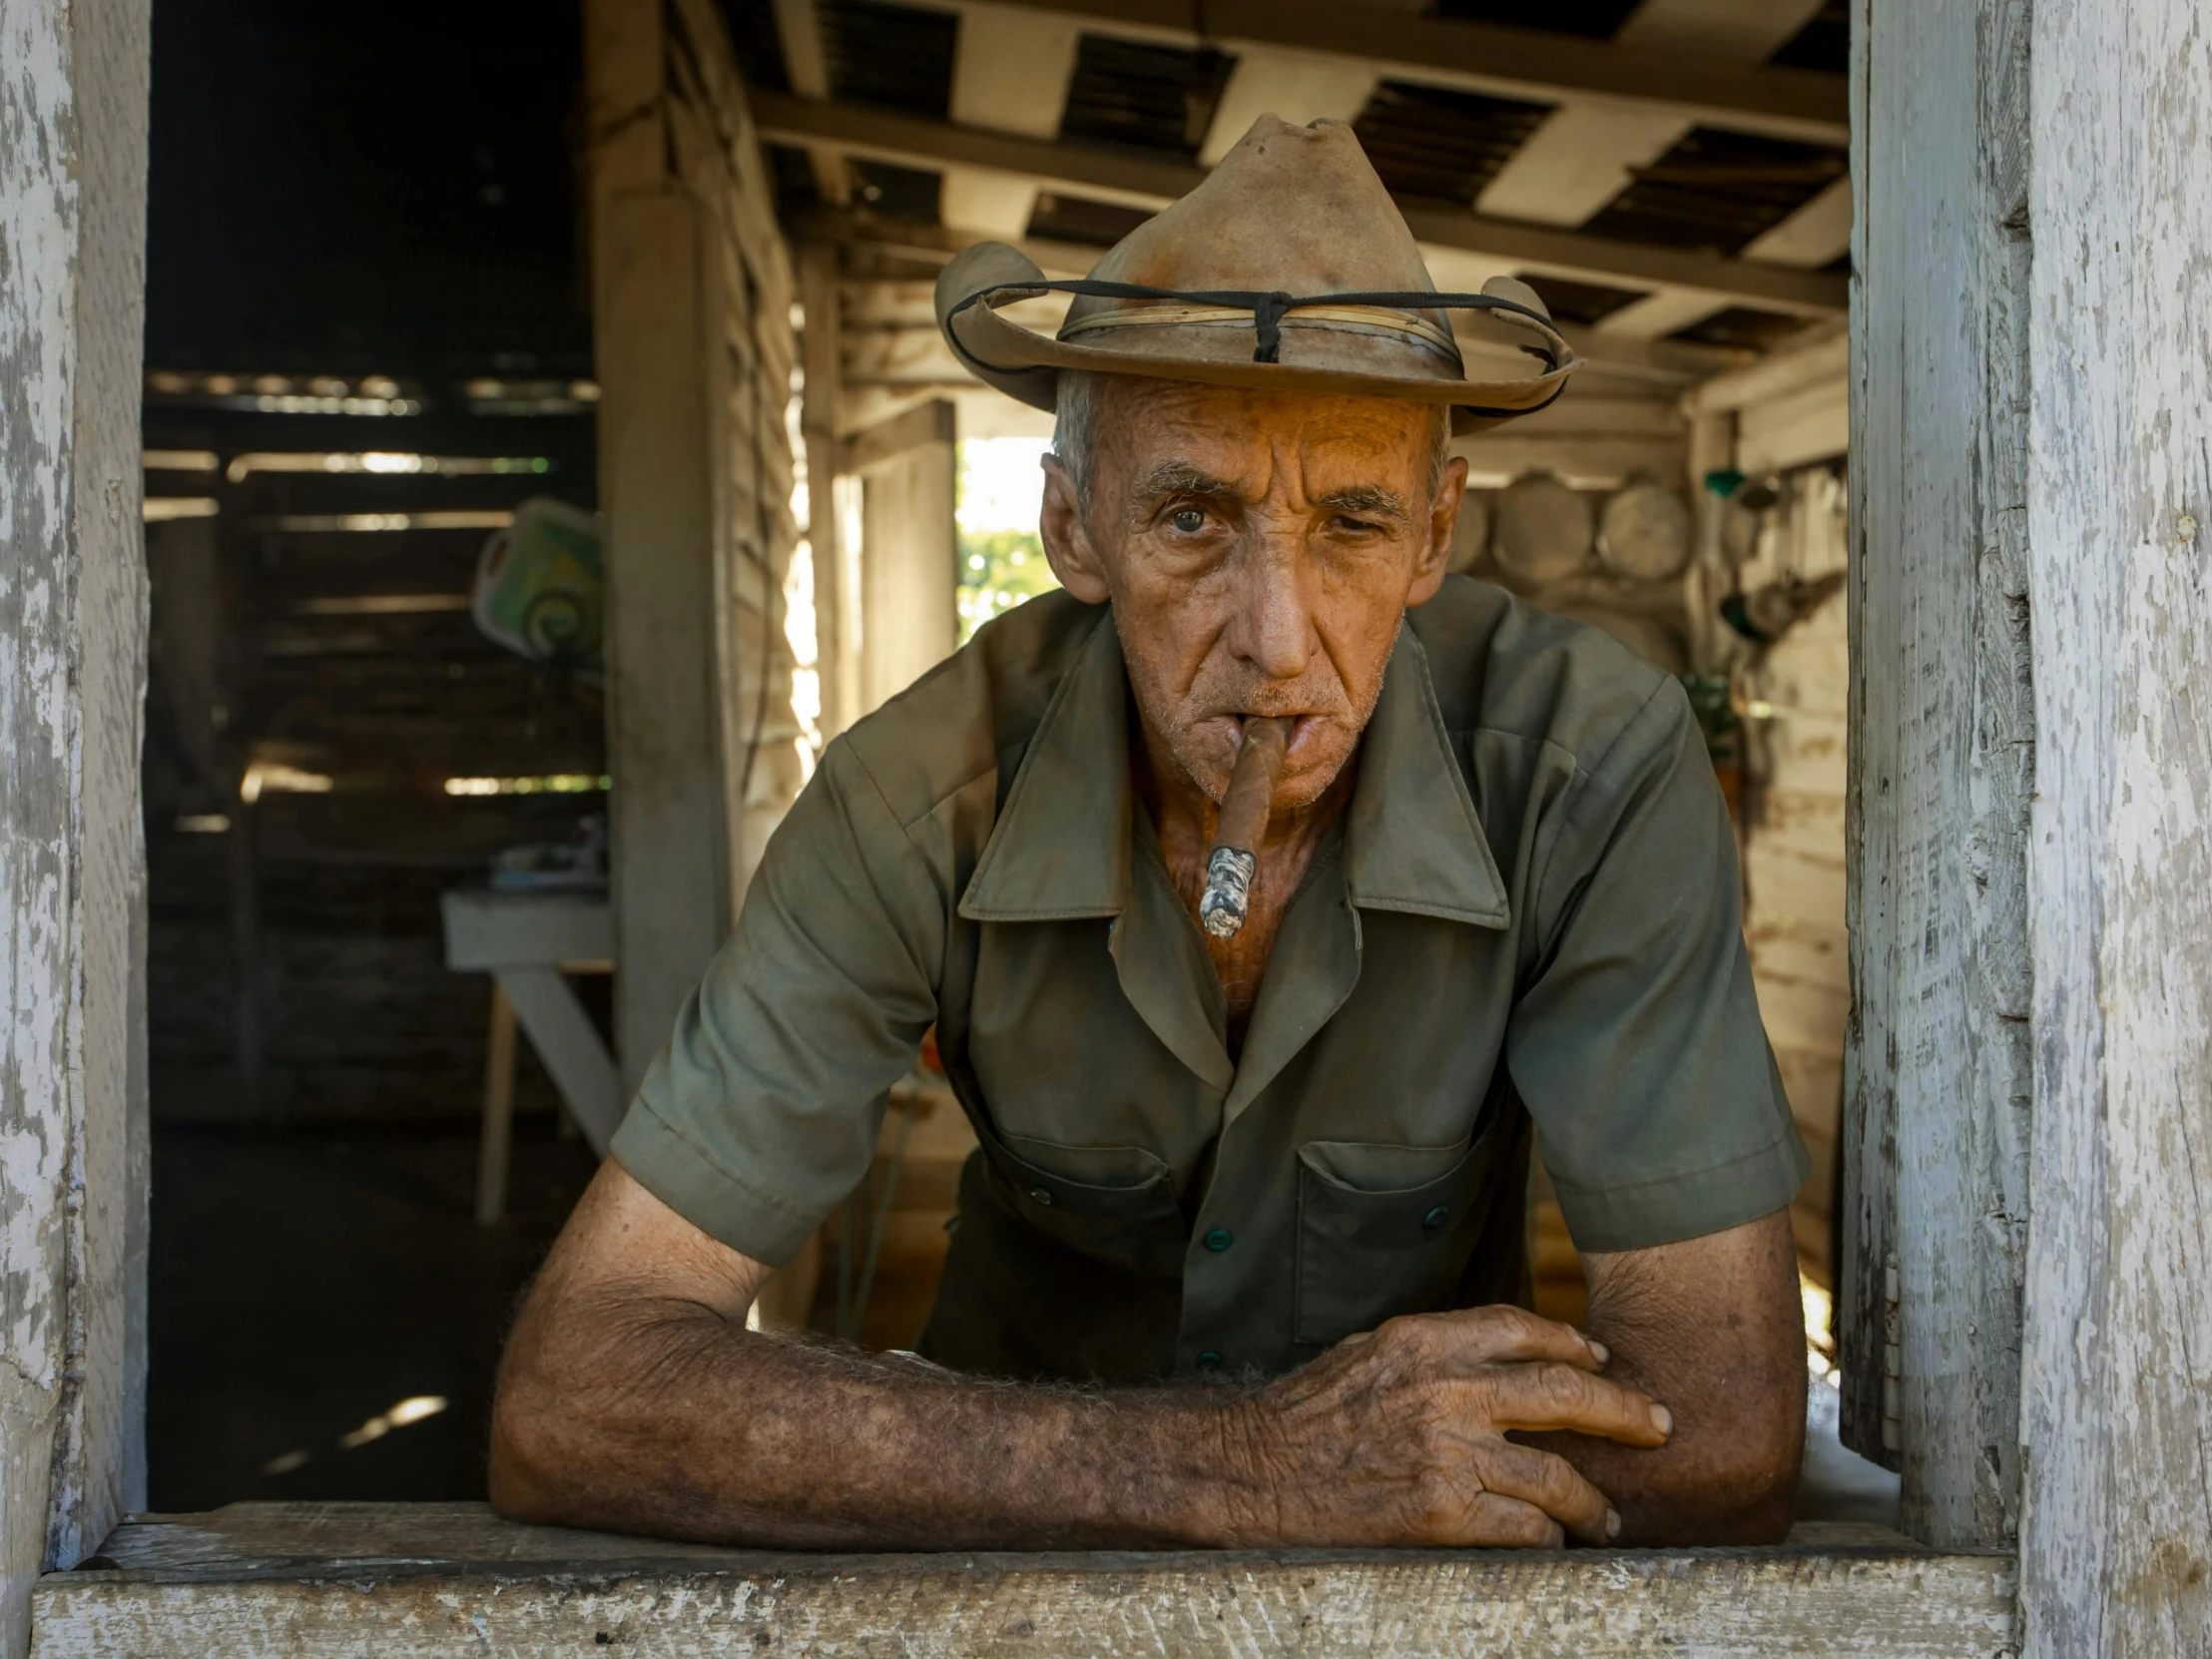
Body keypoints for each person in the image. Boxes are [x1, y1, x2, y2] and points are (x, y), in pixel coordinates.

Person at [489, 115, 1809, 1551]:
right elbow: (576, 1390)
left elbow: (1724, 1420)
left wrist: (1368, 1470)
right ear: (1074, 528)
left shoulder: (1589, 773)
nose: (1277, 643)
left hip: (1415, 1605)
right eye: (1193, 517)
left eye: (1353, 522)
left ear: (1437, 535)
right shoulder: (912, 798)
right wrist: (1249, 1468)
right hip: (996, 1577)